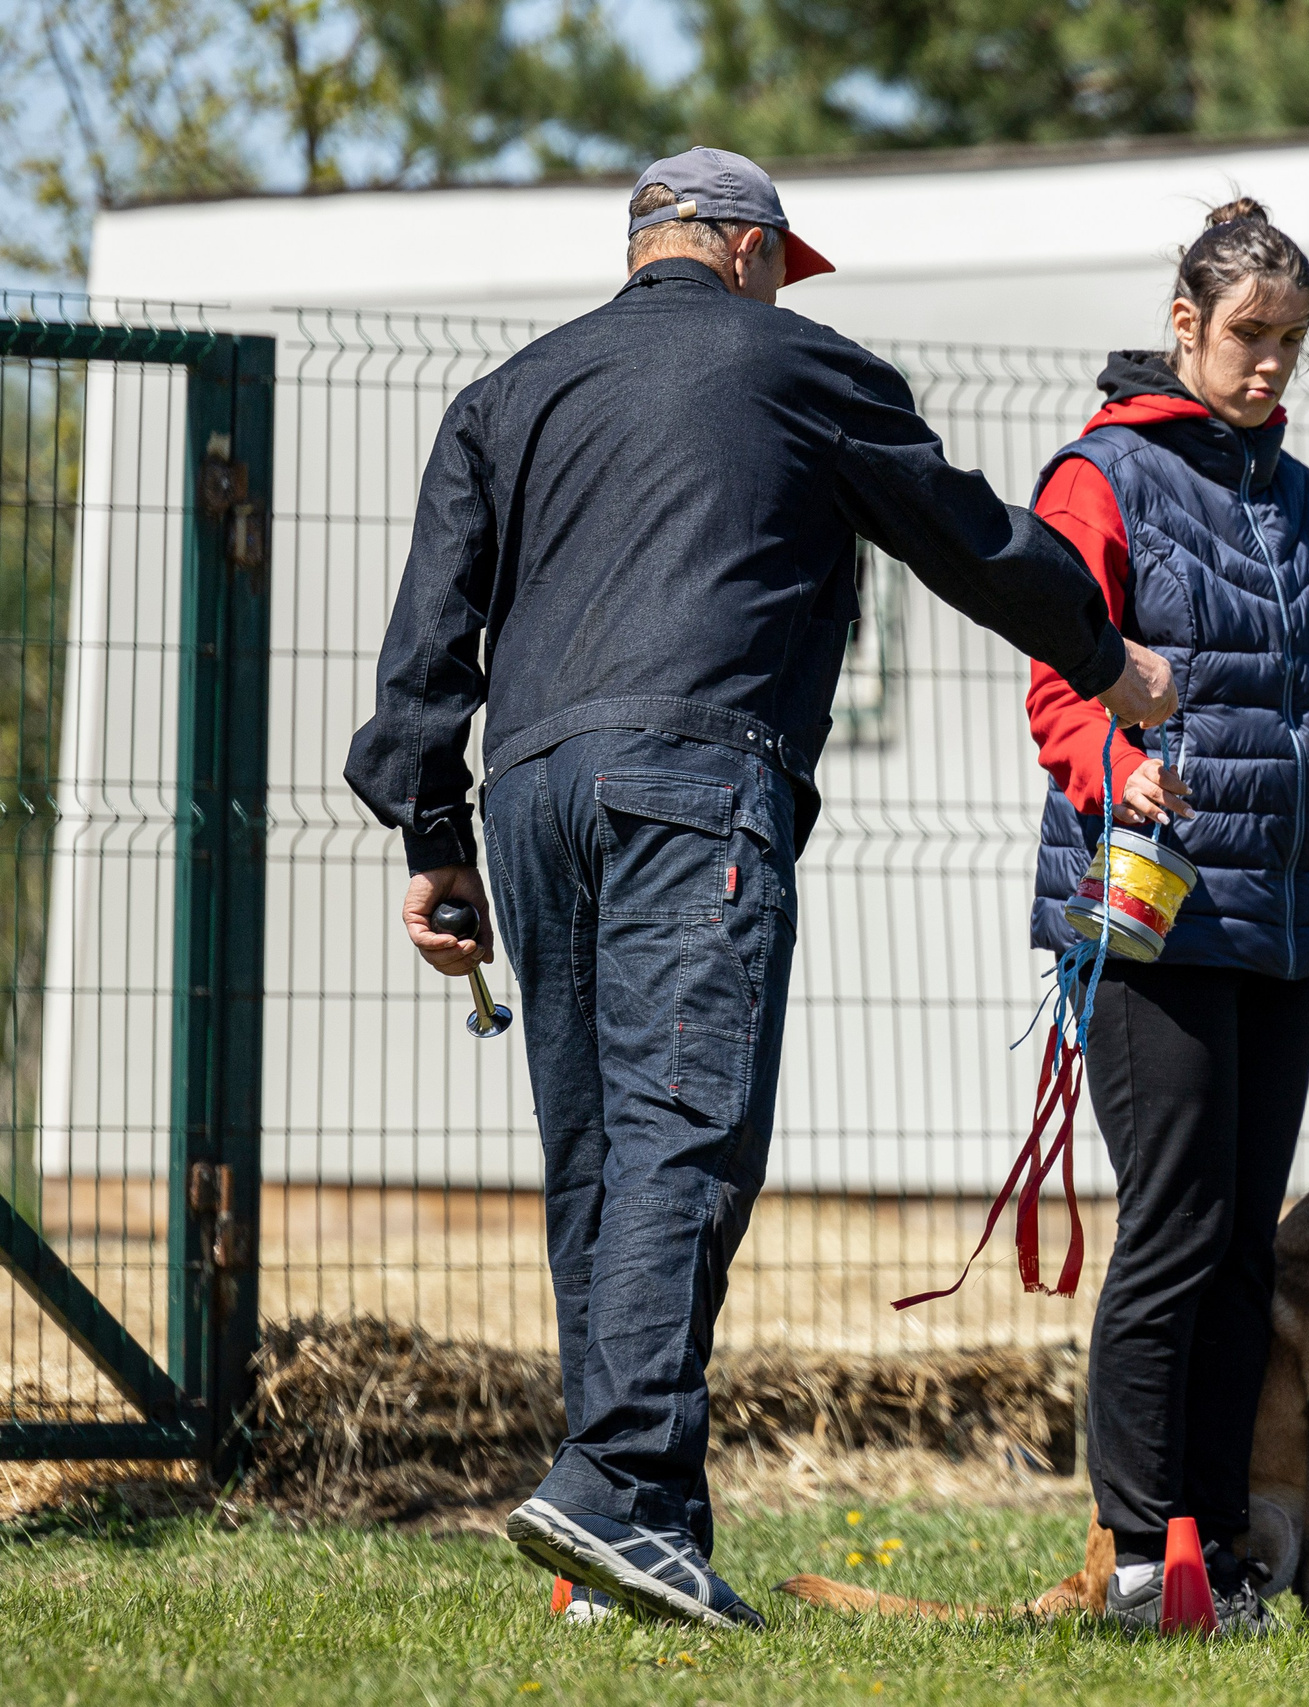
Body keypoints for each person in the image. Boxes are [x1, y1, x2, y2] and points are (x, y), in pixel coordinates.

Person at [345, 146, 1177, 1631]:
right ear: (739, 246)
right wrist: (1107, 661)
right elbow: (970, 536)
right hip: (694, 781)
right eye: (781, 268)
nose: (782, 291)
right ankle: (614, 1489)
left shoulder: (510, 396)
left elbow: (428, 641)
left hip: (532, 798)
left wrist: (430, 834)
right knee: (687, 1135)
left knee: (603, 1155)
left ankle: (635, 1540)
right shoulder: (802, 368)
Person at [1024, 197, 1309, 1634]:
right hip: (1152, 913)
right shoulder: (1101, 478)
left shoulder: (1300, 504)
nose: (1272, 369)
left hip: (1278, 923)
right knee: (1175, 1230)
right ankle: (1136, 1554)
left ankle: (1219, 1553)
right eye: (1250, 337)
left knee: (1249, 1239)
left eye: (1293, 344)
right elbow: (1060, 678)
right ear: (1183, 325)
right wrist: (1119, 770)